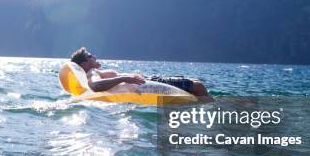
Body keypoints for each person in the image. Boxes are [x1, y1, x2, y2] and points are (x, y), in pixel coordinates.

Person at [70, 47, 214, 102]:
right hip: (145, 84)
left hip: (148, 80)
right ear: (84, 64)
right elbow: (95, 86)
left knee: (195, 84)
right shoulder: (91, 73)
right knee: (198, 86)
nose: (94, 56)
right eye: (90, 56)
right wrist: (126, 78)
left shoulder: (95, 71)